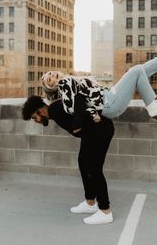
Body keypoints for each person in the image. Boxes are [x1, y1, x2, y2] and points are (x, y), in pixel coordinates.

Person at [41, 32, 157, 121]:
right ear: (52, 87)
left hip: (110, 97)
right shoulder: (65, 87)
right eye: (49, 79)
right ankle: (153, 106)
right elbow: (74, 108)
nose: (52, 75)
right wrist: (93, 115)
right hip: (109, 103)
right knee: (136, 70)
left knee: (139, 71)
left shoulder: (69, 84)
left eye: (50, 73)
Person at [22, 93, 115, 225]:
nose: (36, 121)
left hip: (101, 130)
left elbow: (80, 97)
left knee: (94, 169)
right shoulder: (55, 110)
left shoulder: (55, 109)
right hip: (90, 133)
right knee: (83, 163)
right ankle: (90, 203)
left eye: (34, 117)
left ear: (41, 111)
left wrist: (77, 123)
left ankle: (105, 211)